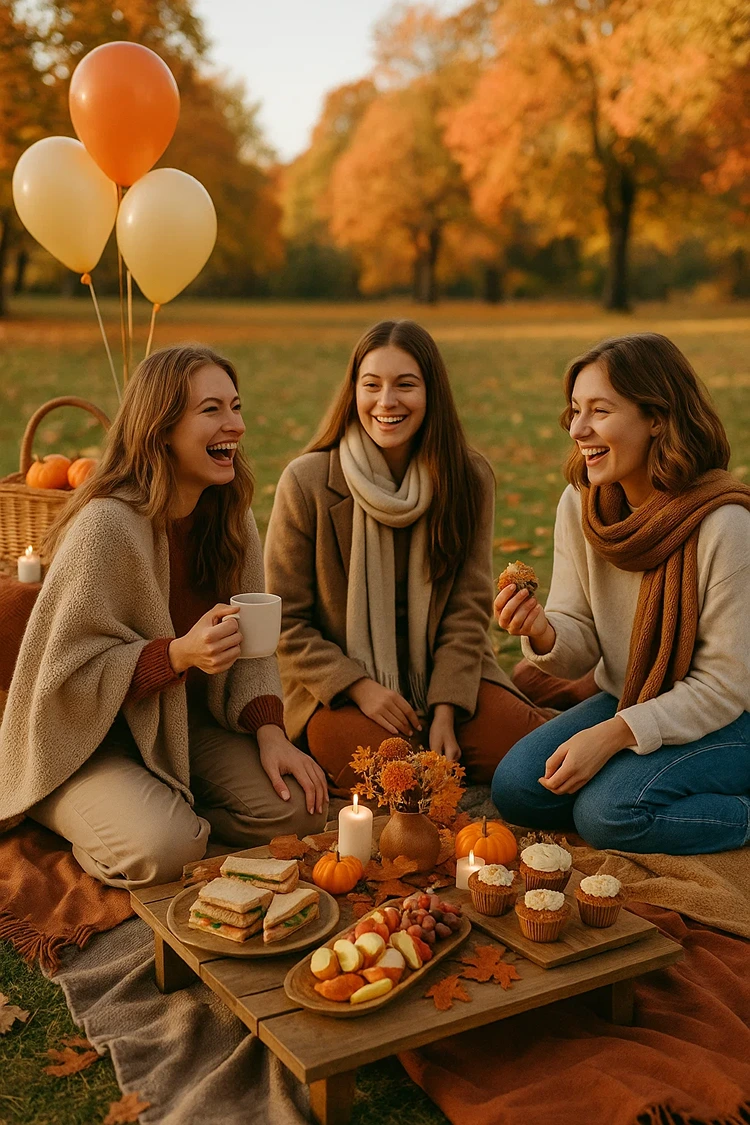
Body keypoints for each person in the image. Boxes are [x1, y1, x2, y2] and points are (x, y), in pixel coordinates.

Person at [0, 345, 327, 888]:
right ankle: (53, 801)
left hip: (182, 725)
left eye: (236, 406)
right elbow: (63, 674)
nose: (236, 425)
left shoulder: (231, 512)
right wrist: (177, 655)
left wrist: (270, 731)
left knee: (300, 813)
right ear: (162, 428)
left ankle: (171, 820)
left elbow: (253, 647)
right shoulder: (105, 526)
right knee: (165, 852)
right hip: (87, 738)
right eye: (212, 410)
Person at [264, 319, 573, 792]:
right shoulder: (306, 483)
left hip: (448, 677)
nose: (386, 402)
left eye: (405, 385)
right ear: (354, 393)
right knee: (407, 784)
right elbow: (287, 622)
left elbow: (467, 608)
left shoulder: (468, 477)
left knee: (545, 766)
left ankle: (546, 695)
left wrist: (447, 707)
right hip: (340, 693)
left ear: (431, 393)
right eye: (372, 385)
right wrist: (360, 688)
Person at [492, 333, 750, 855]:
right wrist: (542, 630)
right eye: (575, 411)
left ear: (657, 417)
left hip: (733, 715)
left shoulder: (725, 524)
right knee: (517, 787)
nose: (579, 429)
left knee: (609, 813)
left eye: (600, 411)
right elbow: (580, 639)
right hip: (633, 693)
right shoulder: (583, 505)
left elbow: (725, 686)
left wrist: (611, 736)